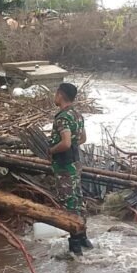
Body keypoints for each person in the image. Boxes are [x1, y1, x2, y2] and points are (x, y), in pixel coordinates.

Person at [47, 83, 92, 256]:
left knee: (69, 202)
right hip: (76, 162)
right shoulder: (77, 115)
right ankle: (83, 237)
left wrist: (51, 150)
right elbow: (83, 138)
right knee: (78, 199)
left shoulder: (63, 117)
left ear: (60, 94)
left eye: (55, 93)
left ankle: (74, 246)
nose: (54, 97)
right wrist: (72, 145)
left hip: (65, 165)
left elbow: (65, 143)